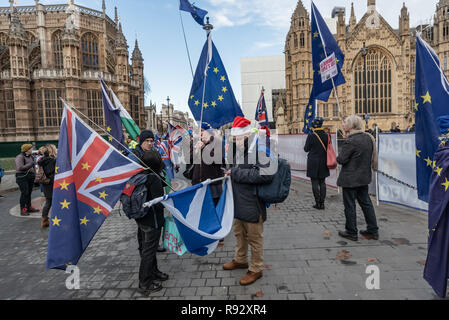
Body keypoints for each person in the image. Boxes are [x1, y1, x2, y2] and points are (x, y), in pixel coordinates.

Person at [222, 116, 274, 286]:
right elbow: (239, 170)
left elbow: (266, 174)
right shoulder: (241, 150)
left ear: (245, 136)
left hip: (252, 203)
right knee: (240, 234)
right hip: (239, 201)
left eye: (236, 137)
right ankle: (241, 259)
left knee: (254, 238)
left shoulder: (260, 149)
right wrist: (230, 172)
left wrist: (235, 174)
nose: (234, 140)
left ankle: (256, 268)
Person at [337, 115, 379, 241]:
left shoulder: (351, 141)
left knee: (350, 205)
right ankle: (373, 230)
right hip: (363, 177)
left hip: (350, 179)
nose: (343, 124)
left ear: (351, 126)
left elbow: (341, 159)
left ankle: (351, 232)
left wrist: (345, 144)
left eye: (345, 122)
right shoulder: (368, 138)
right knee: (366, 204)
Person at [135, 149, 168, 296]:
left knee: (148, 249)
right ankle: (145, 282)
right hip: (152, 220)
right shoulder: (153, 179)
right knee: (149, 251)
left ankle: (154, 272)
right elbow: (158, 203)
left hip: (141, 218)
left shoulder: (140, 175)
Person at [129, 130, 167, 253]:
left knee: (152, 225)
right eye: (147, 141)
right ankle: (143, 248)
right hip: (141, 196)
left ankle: (152, 246)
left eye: (152, 141)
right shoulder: (134, 155)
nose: (150, 143)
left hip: (154, 193)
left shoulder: (154, 152)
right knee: (143, 225)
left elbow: (161, 168)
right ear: (141, 142)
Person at [191, 124, 224, 206]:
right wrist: (196, 150)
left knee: (213, 207)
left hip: (212, 184)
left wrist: (205, 148)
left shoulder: (217, 142)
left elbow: (219, 160)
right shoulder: (197, 142)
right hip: (198, 182)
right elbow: (190, 159)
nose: (200, 133)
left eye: (202, 130)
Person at [304, 117, 329, 210]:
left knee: (314, 182)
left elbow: (306, 149)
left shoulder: (311, 135)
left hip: (313, 162)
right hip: (323, 161)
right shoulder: (326, 135)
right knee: (322, 182)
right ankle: (322, 203)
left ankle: (317, 202)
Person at [15, 144, 39, 216]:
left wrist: (35, 174)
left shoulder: (31, 156)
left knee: (29, 193)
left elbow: (33, 167)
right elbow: (20, 168)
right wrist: (31, 164)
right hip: (22, 177)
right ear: (27, 150)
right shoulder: (20, 157)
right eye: (31, 149)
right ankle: (23, 210)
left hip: (30, 177)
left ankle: (29, 207)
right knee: (24, 193)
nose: (32, 150)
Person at [37, 145, 57, 228]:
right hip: (52, 183)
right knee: (52, 202)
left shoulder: (42, 160)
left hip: (46, 184)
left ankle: (44, 220)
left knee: (49, 201)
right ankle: (53, 219)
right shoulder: (52, 160)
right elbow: (50, 172)